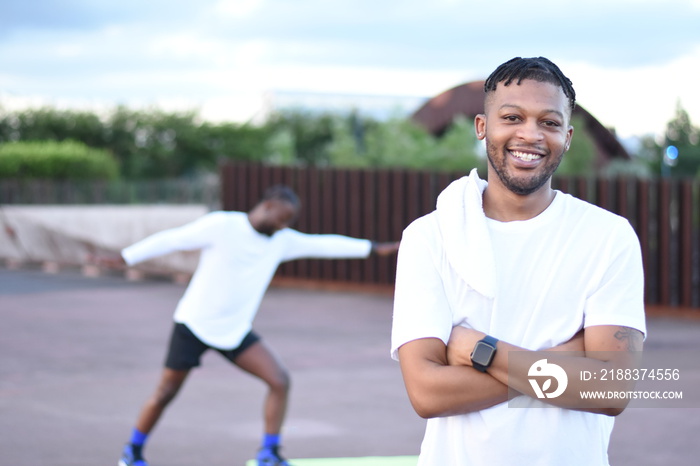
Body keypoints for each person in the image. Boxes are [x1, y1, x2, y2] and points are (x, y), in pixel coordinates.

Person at [391, 57, 646, 465]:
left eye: (549, 122)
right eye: (512, 117)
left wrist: (483, 351)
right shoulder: (430, 236)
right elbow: (426, 393)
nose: (530, 134)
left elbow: (611, 391)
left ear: (568, 135)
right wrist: (564, 359)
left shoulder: (608, 237)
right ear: (482, 126)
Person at [103, 185, 398, 466]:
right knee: (165, 392)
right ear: (267, 206)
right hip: (193, 325)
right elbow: (172, 239)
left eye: (289, 222)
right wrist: (126, 257)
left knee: (279, 381)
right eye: (282, 219)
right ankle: (132, 452)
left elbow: (323, 244)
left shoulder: (282, 241)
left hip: (234, 331)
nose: (284, 226)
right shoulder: (222, 226)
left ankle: (268, 453)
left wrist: (374, 248)